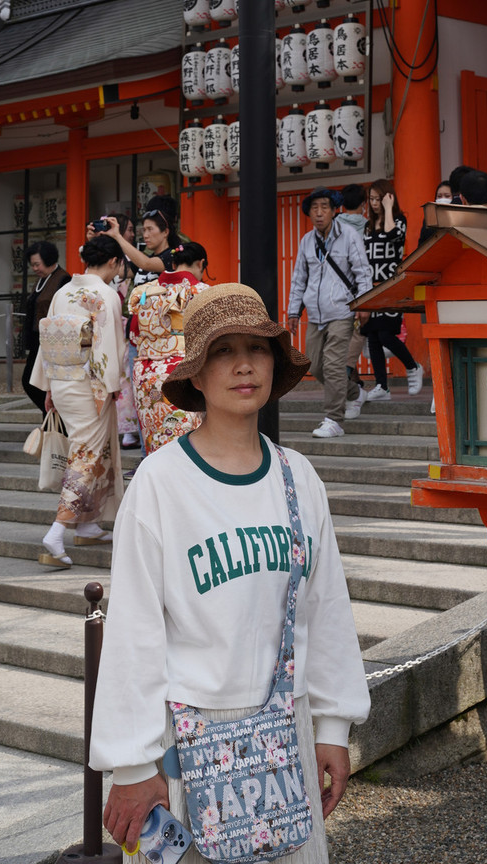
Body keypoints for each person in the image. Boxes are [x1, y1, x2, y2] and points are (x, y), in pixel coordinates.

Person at [94, 283, 370, 860]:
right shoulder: (161, 483)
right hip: (187, 739)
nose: (244, 365)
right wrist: (132, 764)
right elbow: (134, 630)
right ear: (196, 374)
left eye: (257, 348)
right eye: (223, 351)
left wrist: (332, 727)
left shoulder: (298, 478)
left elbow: (325, 609)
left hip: (285, 732)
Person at [30, 235, 127, 566]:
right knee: (87, 455)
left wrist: (47, 387)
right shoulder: (106, 295)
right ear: (113, 261)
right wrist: (113, 383)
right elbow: (110, 344)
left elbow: (47, 342)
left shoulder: (62, 292)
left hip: (61, 381)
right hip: (91, 386)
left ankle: (87, 524)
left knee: (95, 450)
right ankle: (57, 531)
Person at [287, 189, 372, 440]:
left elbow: (363, 272)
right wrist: (293, 310)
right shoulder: (306, 241)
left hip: (342, 310)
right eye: (314, 208)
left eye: (324, 207)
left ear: (334, 210)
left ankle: (334, 419)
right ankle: (355, 393)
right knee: (314, 365)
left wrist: (364, 303)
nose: (319, 213)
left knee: (334, 365)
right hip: (315, 314)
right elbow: (299, 278)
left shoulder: (349, 236)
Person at [105, 208, 181, 450]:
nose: (145, 235)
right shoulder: (141, 260)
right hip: (137, 338)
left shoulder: (172, 257)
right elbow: (116, 269)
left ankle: (164, 453)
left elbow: (146, 263)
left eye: (150, 229)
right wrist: (101, 241)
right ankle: (145, 457)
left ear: (165, 231)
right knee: (140, 397)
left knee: (159, 398)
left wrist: (118, 236)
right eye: (143, 230)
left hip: (161, 342)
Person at [129, 242, 210, 453]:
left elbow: (134, 336)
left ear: (173, 263)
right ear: (201, 264)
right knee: (188, 444)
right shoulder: (203, 292)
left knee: (155, 440)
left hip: (147, 375)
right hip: (185, 374)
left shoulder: (145, 292)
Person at [359, 181, 423, 402]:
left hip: (391, 287)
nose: (374, 203)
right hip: (372, 287)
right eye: (372, 199)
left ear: (388, 198)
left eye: (379, 199)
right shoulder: (368, 226)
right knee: (373, 337)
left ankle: (413, 366)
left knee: (386, 334)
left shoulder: (398, 220)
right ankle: (381, 386)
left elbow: (392, 235)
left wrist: (388, 210)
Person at [22, 241, 71, 412]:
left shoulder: (63, 279)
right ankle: (50, 414)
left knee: (33, 381)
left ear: (49, 259)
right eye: (33, 265)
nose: (35, 268)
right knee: (33, 382)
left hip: (51, 340)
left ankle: (53, 412)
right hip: (38, 339)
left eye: (37, 264)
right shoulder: (41, 280)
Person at [335, 185, 367, 420]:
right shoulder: (369, 226)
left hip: (335, 295)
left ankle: (353, 389)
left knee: (340, 347)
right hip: (360, 293)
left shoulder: (333, 227)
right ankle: (353, 390)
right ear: (364, 203)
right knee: (353, 343)